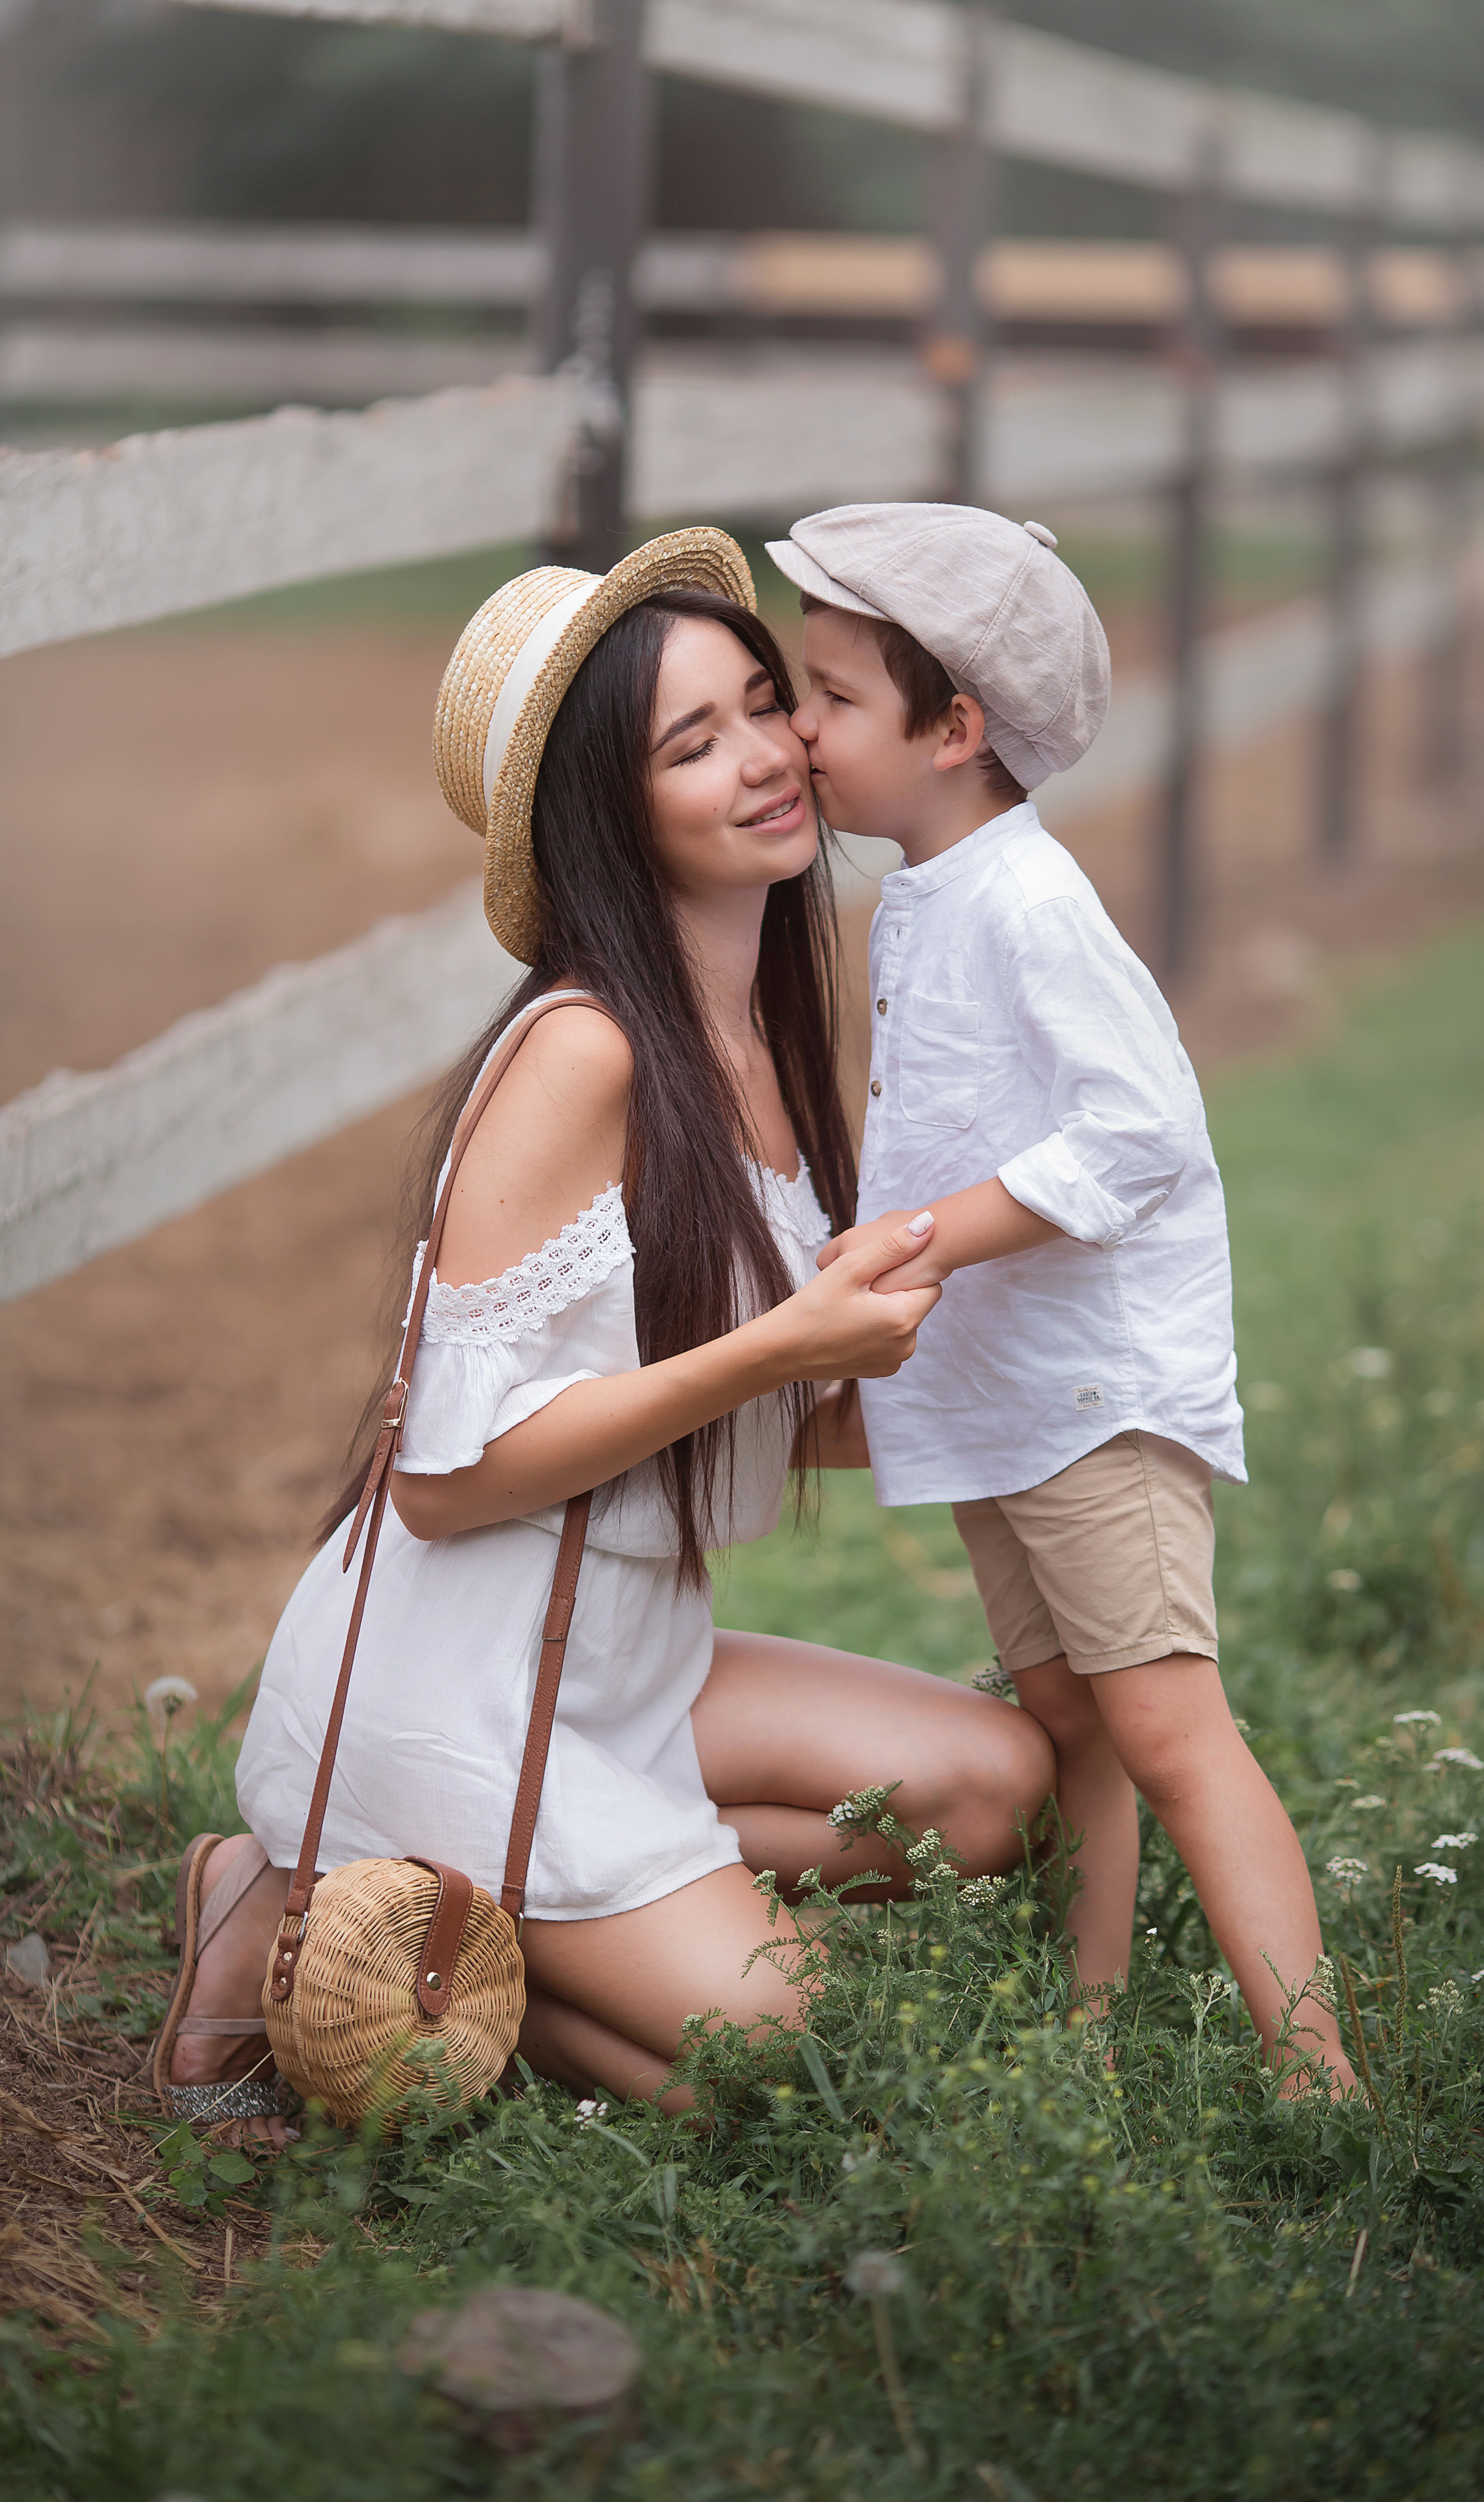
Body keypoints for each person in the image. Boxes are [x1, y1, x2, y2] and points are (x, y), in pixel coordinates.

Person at [148, 528, 1055, 2144]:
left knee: (992, 1789)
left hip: (630, 1662)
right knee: (787, 2077)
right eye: (690, 744)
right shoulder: (578, 1053)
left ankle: (389, 1901)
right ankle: (318, 1904)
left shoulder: (765, 1038)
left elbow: (764, 1404)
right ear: (604, 816)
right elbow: (440, 1480)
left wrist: (1053, 1382)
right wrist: (782, 1351)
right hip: (468, 1679)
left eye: (766, 705)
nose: (769, 757)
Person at [767, 501, 1354, 2090]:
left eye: (827, 698)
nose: (797, 729)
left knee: (1167, 1728)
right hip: (1007, 1396)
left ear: (952, 729)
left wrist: (927, 1240)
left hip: (1093, 1394)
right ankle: (1085, 2025)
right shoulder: (927, 891)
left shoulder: (1028, 904)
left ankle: (1317, 2076)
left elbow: (1142, 1128)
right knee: (1069, 1717)